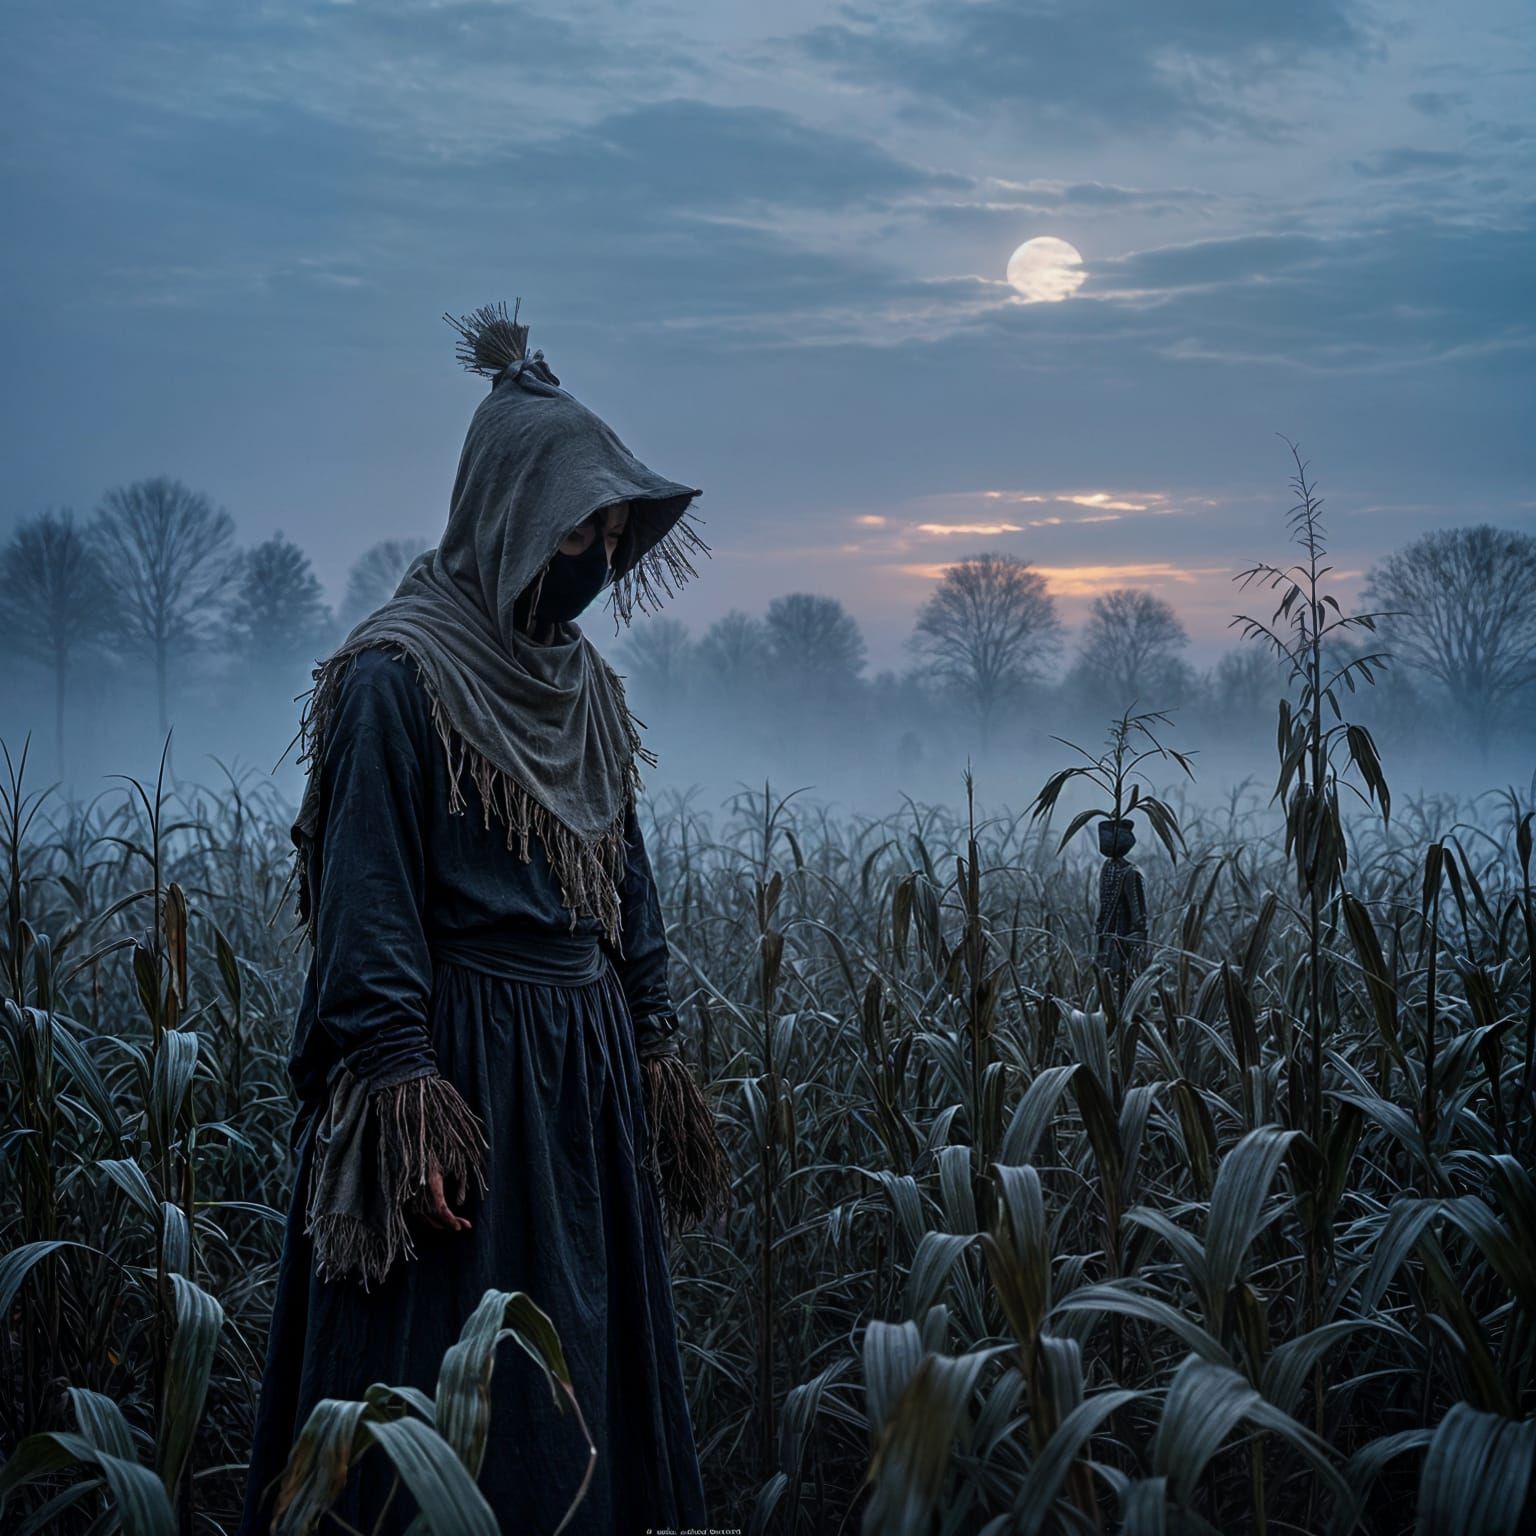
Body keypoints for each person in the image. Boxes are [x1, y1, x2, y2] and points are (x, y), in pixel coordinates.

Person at [238, 302, 731, 1535]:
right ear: (510, 519)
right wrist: (407, 1097)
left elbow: (626, 875)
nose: (599, 559)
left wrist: (656, 1042)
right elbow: (365, 912)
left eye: (615, 535)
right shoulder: (395, 681)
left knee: (579, 1393)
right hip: (461, 1085)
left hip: (582, 1080)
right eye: (582, 529)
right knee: (446, 1405)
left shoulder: (584, 689)